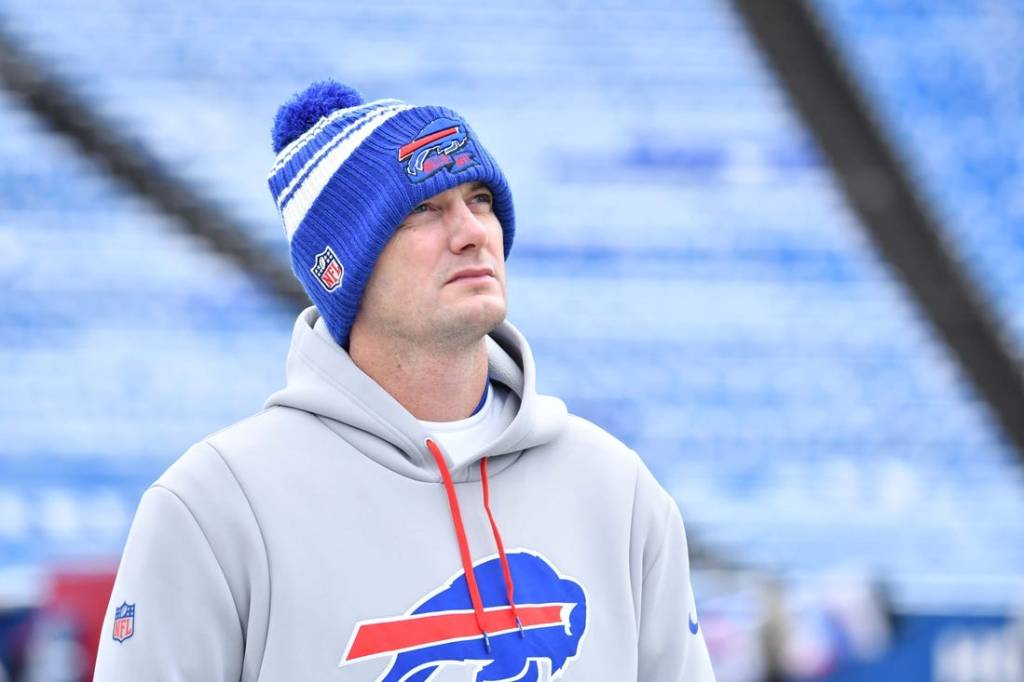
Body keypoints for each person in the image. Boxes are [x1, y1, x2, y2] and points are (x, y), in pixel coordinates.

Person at [94, 79, 716, 681]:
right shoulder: (214, 506)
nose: (473, 231)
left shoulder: (617, 489)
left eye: (481, 201)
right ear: (346, 267)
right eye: (425, 208)